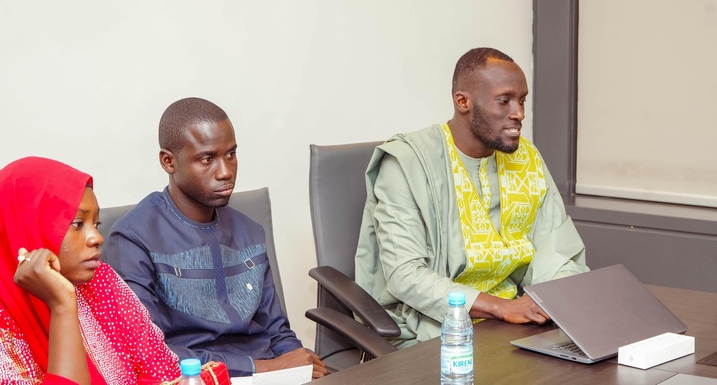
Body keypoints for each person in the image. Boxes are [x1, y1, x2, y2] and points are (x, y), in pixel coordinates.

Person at [355, 47, 589, 347]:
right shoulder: (408, 162)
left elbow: (557, 252)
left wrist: (557, 303)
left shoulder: (526, 157)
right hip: (435, 326)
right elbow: (406, 274)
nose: (518, 113)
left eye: (522, 101)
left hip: (513, 321)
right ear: (462, 101)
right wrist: (502, 307)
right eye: (504, 101)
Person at [104, 97, 325, 379]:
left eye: (230, 154)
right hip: (193, 379)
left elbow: (278, 332)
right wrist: (260, 367)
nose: (226, 172)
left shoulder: (250, 231)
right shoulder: (133, 238)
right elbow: (149, 352)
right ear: (168, 161)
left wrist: (304, 369)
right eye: (207, 159)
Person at [0, 156, 182, 385]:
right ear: (25, 226)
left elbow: (162, 370)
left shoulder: (101, 280)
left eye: (96, 224)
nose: (97, 238)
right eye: (77, 224)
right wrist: (62, 305)